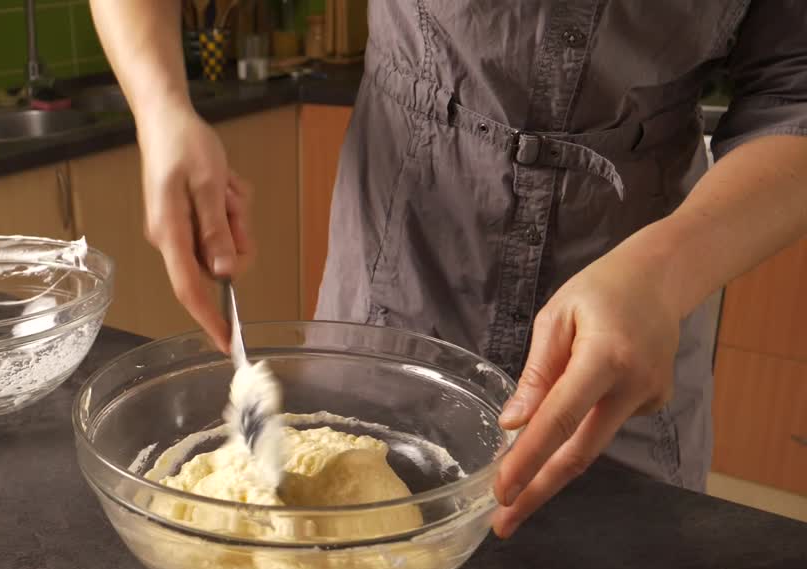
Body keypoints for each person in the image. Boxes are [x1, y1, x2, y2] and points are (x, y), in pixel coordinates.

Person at [88, 1, 807, 538]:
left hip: (631, 303)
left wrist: (666, 267)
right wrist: (161, 107)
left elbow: (795, 90)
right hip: (398, 273)